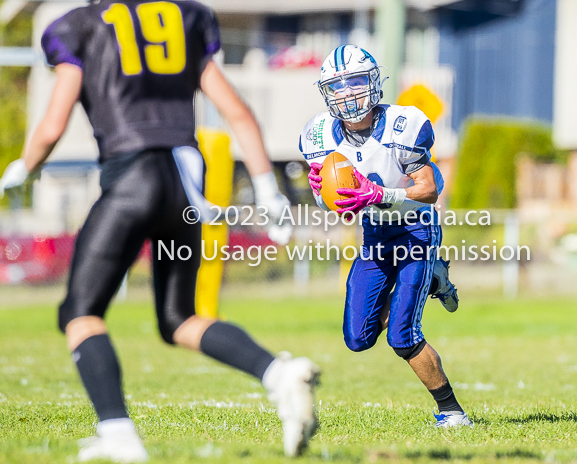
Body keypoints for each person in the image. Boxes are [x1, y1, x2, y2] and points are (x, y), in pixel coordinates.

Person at [0, 0, 319, 461]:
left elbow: (52, 125)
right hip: (187, 188)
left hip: (132, 179)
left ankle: (117, 434)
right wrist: (269, 190)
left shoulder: (81, 25)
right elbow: (238, 112)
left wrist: (24, 167)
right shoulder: (187, 16)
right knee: (179, 319)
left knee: (79, 313)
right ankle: (277, 374)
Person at [299, 45, 471, 428]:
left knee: (403, 336)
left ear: (374, 82)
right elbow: (337, 205)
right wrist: (320, 192)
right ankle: (435, 280)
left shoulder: (402, 125)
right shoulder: (319, 135)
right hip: (374, 236)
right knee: (357, 338)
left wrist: (383, 194)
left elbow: (429, 189)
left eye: (356, 82)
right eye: (338, 87)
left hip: (415, 230)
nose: (347, 94)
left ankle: (452, 412)